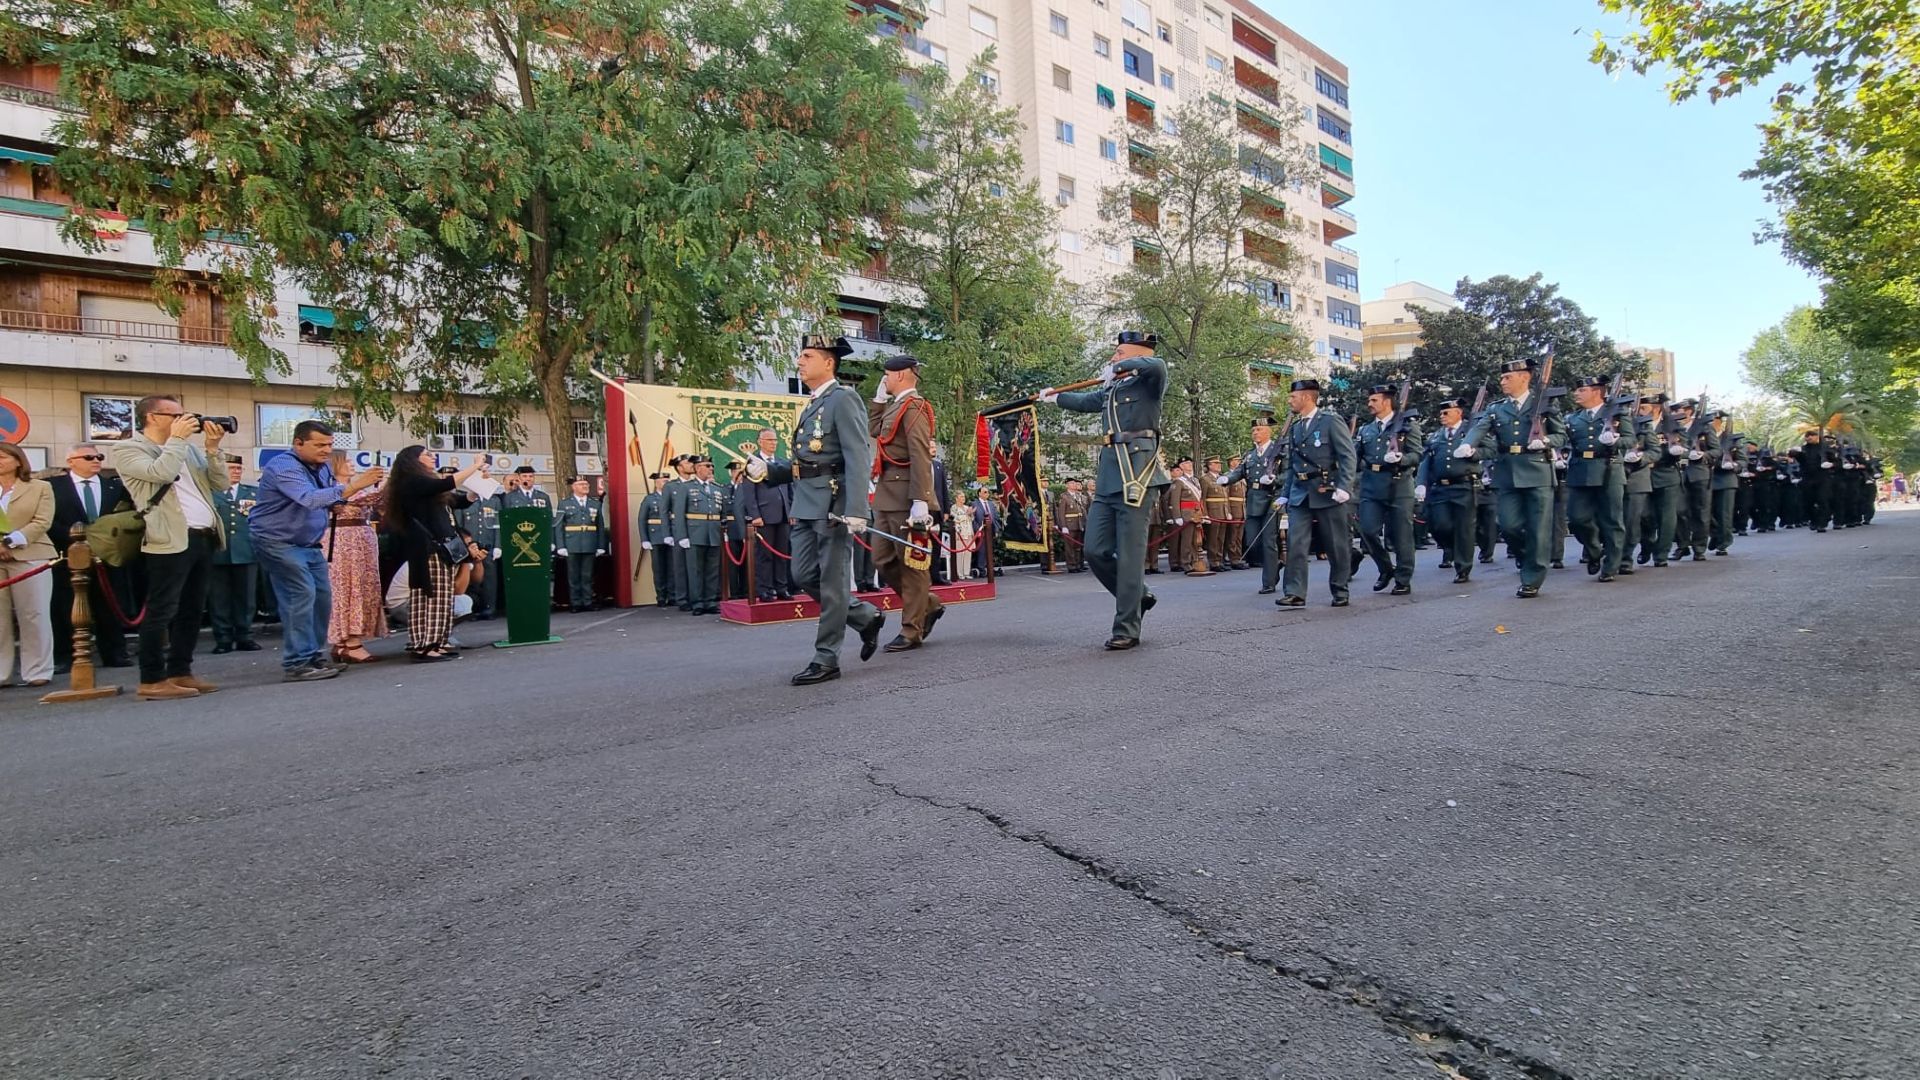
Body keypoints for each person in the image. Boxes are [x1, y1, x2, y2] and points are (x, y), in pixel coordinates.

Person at [744, 333, 886, 684]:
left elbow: (857, 455)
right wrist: (770, 471)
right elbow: (806, 462)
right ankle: (865, 616)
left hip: (834, 505)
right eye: (800, 356)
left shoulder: (844, 399)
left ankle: (826, 658)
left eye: (807, 356)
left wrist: (857, 507)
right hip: (806, 504)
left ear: (828, 362)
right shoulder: (811, 404)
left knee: (834, 583)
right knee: (803, 575)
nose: (800, 361)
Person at [1038, 331, 1170, 649]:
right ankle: (1139, 596)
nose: (1113, 358)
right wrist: (1055, 397)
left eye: (1119, 354)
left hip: (1137, 473)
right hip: (1110, 476)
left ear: (1138, 353)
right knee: (1094, 550)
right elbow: (1087, 401)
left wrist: (1128, 366)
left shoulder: (1149, 381)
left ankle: (1126, 627)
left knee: (1129, 557)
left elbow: (1157, 365)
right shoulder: (1114, 388)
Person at [107, 395, 231, 700]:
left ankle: (180, 671)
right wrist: (176, 439)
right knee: (162, 610)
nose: (185, 420)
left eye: (185, 415)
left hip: (202, 535)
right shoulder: (127, 448)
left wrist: (213, 450)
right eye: (176, 415)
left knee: (192, 609)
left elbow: (221, 483)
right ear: (152, 416)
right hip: (168, 539)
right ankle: (151, 678)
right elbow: (159, 473)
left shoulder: (186, 449)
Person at [251, 421, 384, 681]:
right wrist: (356, 485)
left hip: (309, 543)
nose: (326, 450)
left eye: (330, 444)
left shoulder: (321, 467)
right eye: (320, 445)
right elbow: (310, 498)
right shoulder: (283, 466)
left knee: (322, 598)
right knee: (301, 595)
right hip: (278, 541)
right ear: (298, 443)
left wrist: (336, 503)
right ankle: (297, 663)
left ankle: (313, 656)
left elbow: (326, 498)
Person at [1455, 359, 1567, 598]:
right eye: (1503, 378)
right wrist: (1467, 444)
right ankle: (1527, 557)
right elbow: (1480, 427)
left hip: (1537, 471)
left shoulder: (1544, 404)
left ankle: (1532, 578)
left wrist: (1546, 441)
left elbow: (1561, 435)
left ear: (1525, 377)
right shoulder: (1497, 408)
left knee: (1538, 529)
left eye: (1508, 377)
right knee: (1508, 525)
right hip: (1507, 473)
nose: (1503, 381)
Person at [867, 353, 946, 651]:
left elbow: (919, 454)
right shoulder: (895, 406)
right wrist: (878, 401)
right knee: (882, 561)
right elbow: (875, 432)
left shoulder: (914, 407)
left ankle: (911, 629)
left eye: (886, 375)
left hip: (906, 497)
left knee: (912, 565)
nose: (884, 380)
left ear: (899, 375)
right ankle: (929, 603)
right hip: (886, 496)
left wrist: (921, 501)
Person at [383, 447, 489, 662]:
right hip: (428, 547)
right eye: (427, 455)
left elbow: (459, 500)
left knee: (442, 597)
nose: (432, 458)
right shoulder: (412, 481)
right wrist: (475, 466)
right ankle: (425, 644)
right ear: (413, 460)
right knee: (432, 597)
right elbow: (446, 483)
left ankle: (437, 641)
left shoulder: (429, 488)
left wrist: (476, 488)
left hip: (442, 546)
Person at [45, 442, 132, 672]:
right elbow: (47, 520)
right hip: (67, 556)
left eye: (99, 457)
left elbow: (124, 517)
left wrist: (101, 542)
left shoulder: (114, 487)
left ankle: (114, 653)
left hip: (106, 557)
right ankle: (65, 656)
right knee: (65, 607)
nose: (96, 461)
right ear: (71, 461)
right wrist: (77, 539)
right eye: (88, 457)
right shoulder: (52, 487)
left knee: (109, 606)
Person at [1277, 378, 1357, 608]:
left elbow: (1347, 456)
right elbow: (1292, 464)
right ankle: (1295, 592)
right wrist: (1285, 492)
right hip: (1300, 492)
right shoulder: (1296, 427)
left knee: (1336, 544)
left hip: (1326, 490)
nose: (1289, 400)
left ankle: (1340, 590)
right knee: (1296, 544)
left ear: (1306, 397)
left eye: (1293, 396)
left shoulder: (1330, 421)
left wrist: (1344, 487)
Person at [1354, 383, 1423, 596]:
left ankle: (1403, 578)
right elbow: (1355, 457)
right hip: (1372, 485)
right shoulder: (1366, 429)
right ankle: (1385, 568)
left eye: (1374, 400)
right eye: (1369, 400)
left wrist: (1402, 458)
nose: (1370, 404)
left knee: (1402, 535)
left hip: (1399, 484)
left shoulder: (1407, 426)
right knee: (1367, 530)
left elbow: (1417, 454)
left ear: (1386, 401)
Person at [1561, 376, 1630, 582]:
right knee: (1576, 518)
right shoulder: (1572, 418)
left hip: (1608, 468)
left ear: (1597, 392)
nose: (1577, 394)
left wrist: (1615, 441)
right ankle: (1593, 549)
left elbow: (1631, 439)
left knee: (1611, 520)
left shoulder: (1617, 413)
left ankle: (1611, 565)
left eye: (1582, 390)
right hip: (1580, 470)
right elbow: (1564, 441)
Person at [0, 442, 56, 688]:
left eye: (2, 457)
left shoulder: (40, 487)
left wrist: (11, 542)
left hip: (31, 555)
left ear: (18, 460)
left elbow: (42, 521)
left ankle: (38, 671)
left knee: (34, 614)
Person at [325, 450, 387, 664]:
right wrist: (379, 485)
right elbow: (359, 498)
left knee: (361, 586)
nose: (351, 464)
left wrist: (380, 486)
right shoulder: (330, 488)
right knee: (348, 588)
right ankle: (350, 642)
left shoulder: (356, 487)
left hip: (361, 539)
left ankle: (344, 643)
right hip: (343, 541)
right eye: (347, 461)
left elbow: (376, 502)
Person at [1416, 398, 1480, 584]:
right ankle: (1450, 547)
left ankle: (1463, 568)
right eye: (1441, 413)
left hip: (1464, 486)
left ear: (1458, 413)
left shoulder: (1472, 432)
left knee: (1464, 530)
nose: (1442, 416)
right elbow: (1426, 461)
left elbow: (1490, 449)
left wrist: (1473, 453)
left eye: (1446, 413)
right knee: (1439, 525)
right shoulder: (1436, 436)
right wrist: (1421, 483)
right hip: (1441, 488)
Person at [1220, 417, 1286, 594]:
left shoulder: (1278, 451)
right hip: (1253, 499)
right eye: (1253, 430)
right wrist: (1227, 479)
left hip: (1272, 499)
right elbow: (1239, 471)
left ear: (1268, 431)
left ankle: (1269, 582)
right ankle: (1276, 564)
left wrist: (1275, 480)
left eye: (1258, 430)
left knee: (1268, 541)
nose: (1255, 433)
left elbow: (1288, 474)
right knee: (1251, 542)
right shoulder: (1250, 454)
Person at [207, 457, 262, 653]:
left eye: (239, 468)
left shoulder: (252, 492)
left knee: (246, 598)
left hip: (246, 551)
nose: (236, 472)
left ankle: (245, 636)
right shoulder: (210, 493)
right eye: (232, 468)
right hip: (217, 552)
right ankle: (223, 638)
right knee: (218, 599)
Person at [670, 456, 725, 616]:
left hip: (713, 533)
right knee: (695, 570)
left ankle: (710, 601)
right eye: (707, 466)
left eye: (711, 466)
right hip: (694, 534)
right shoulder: (686, 488)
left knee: (712, 570)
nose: (710, 469)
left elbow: (720, 513)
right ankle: (697, 602)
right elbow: (679, 514)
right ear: (697, 468)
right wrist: (682, 536)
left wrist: (723, 531)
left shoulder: (716, 488)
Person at [1671, 399, 1718, 561]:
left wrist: (1703, 455)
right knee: (1679, 511)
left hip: (1699, 472)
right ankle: (1682, 545)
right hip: (1679, 473)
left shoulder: (1704, 427)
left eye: (1679, 410)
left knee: (1701, 512)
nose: (1675, 413)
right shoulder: (1672, 428)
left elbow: (1717, 451)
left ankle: (1699, 547)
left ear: (1689, 411)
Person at [554, 476, 606, 612]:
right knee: (573, 575)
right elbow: (558, 526)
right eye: (581, 484)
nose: (585, 486)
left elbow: (600, 525)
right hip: (572, 543)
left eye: (586, 484)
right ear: (574, 487)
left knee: (587, 575)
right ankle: (575, 602)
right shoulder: (564, 504)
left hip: (589, 542)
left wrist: (601, 545)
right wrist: (560, 546)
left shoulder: (595, 504)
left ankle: (588, 601)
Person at [459, 481, 503, 619]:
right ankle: (472, 609)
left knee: (490, 579)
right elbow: (460, 526)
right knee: (472, 581)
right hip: (471, 547)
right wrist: (464, 546)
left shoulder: (494, 500)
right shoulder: (466, 500)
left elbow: (499, 524)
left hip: (488, 545)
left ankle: (489, 608)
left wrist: (498, 545)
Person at [1708, 412, 1746, 555]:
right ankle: (1716, 534)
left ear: (1719, 422)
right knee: (1705, 513)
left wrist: (1734, 465)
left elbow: (1743, 460)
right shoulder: (1703, 437)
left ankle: (1723, 542)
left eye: (1714, 421)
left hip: (1726, 480)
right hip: (1707, 479)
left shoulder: (1732, 438)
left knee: (1724, 514)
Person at [637, 472, 674, 606]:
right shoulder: (650, 499)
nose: (666, 483)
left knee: (672, 568)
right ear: (656, 483)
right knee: (659, 569)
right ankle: (661, 596)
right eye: (664, 481)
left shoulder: (672, 498)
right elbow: (642, 520)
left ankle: (672, 595)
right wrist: (644, 539)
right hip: (656, 536)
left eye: (667, 481)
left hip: (671, 535)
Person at [1052, 478, 1088, 573]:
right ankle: (1071, 566)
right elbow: (1061, 513)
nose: (1074, 485)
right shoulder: (1064, 497)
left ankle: (1078, 564)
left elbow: (1082, 510)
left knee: (1077, 547)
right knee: (1070, 547)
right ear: (1067, 485)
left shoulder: (1077, 496)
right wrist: (1063, 526)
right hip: (1069, 524)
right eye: (1072, 483)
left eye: (1075, 483)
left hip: (1079, 523)